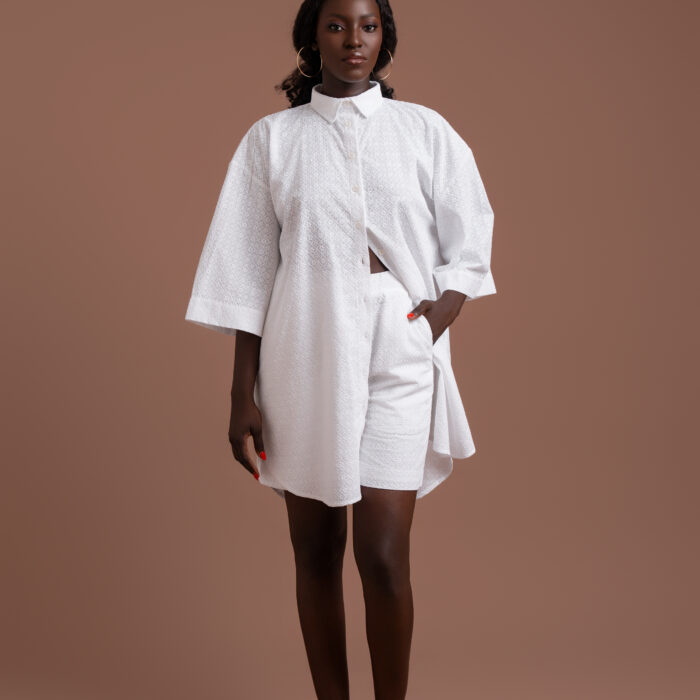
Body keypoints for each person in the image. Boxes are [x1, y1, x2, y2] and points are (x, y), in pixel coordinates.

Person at [184, 0, 497, 697]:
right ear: (311, 38)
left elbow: (471, 233)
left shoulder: (423, 131)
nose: (353, 39)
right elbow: (247, 272)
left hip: (398, 344)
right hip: (303, 348)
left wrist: (438, 315)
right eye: (336, 25)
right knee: (317, 550)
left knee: (382, 555)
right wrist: (241, 396)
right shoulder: (272, 141)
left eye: (368, 26)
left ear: (384, 38)